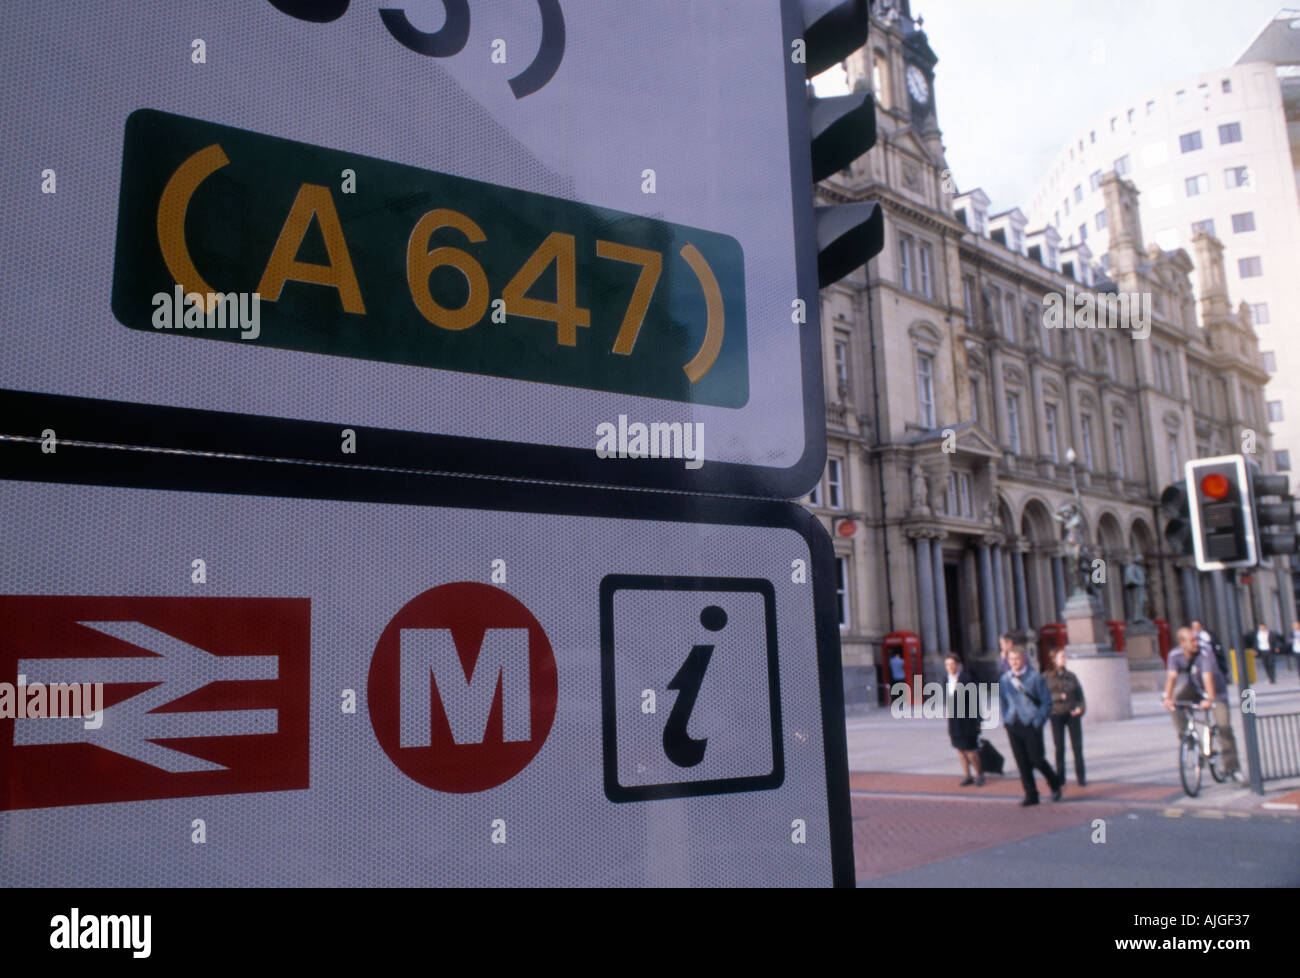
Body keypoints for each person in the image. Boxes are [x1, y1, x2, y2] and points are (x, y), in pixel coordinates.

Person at [1163, 626, 1241, 780]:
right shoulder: (1175, 655)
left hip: (1216, 692)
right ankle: (1186, 737)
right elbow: (1172, 677)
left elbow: (1208, 677)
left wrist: (1210, 699)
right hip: (1195, 688)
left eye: (1196, 639)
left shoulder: (1205, 652)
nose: (1196, 643)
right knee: (1176, 700)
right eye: (1192, 640)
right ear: (1182, 643)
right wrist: (1167, 698)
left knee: (1224, 727)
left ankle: (1232, 767)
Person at [998, 644, 1063, 806]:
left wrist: (1037, 721)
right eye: (1011, 659)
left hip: (1031, 724)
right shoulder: (1005, 679)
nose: (1014, 662)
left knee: (1036, 759)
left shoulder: (1035, 678)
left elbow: (1046, 702)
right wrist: (1006, 719)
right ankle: (1031, 794)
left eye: (1018, 659)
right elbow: (1003, 701)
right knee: (1021, 761)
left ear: (1024, 659)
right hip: (1013, 724)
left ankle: (1055, 782)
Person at [1046, 648, 1086, 786]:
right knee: (1059, 748)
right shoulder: (1047, 677)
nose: (1065, 659)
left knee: (1077, 747)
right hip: (1056, 714)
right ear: (1054, 659)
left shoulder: (1072, 676)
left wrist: (1081, 709)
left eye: (1065, 656)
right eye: (1062, 656)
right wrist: (1058, 697)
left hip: (1072, 714)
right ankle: (1060, 778)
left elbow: (1080, 696)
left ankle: (1081, 778)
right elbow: (1043, 696)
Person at [943, 653, 984, 787]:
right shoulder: (946, 680)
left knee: (971, 751)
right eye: (947, 664)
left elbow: (975, 701)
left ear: (958, 665)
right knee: (960, 750)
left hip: (968, 720)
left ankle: (979, 775)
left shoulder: (967, 679)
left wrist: (978, 720)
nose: (950, 667)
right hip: (954, 721)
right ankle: (968, 776)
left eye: (952, 664)